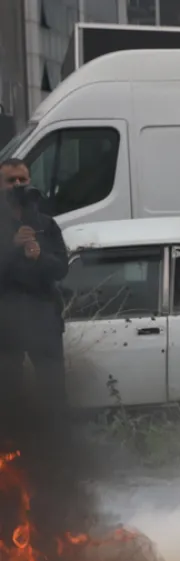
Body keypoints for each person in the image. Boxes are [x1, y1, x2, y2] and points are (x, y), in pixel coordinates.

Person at [0, 157, 70, 430]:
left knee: (53, 393)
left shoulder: (46, 224)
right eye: (10, 181)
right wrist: (12, 247)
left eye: (22, 180)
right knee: (9, 393)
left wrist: (39, 256)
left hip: (43, 321)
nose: (17, 186)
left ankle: (57, 454)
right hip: (6, 325)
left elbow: (61, 268)